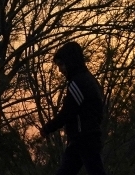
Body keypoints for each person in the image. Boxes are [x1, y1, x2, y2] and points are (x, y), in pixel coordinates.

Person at [41, 41, 108, 175]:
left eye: (61, 64)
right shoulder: (90, 80)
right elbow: (99, 111)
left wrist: (48, 128)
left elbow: (67, 113)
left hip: (84, 139)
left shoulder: (77, 84)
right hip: (84, 139)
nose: (60, 70)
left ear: (70, 62)